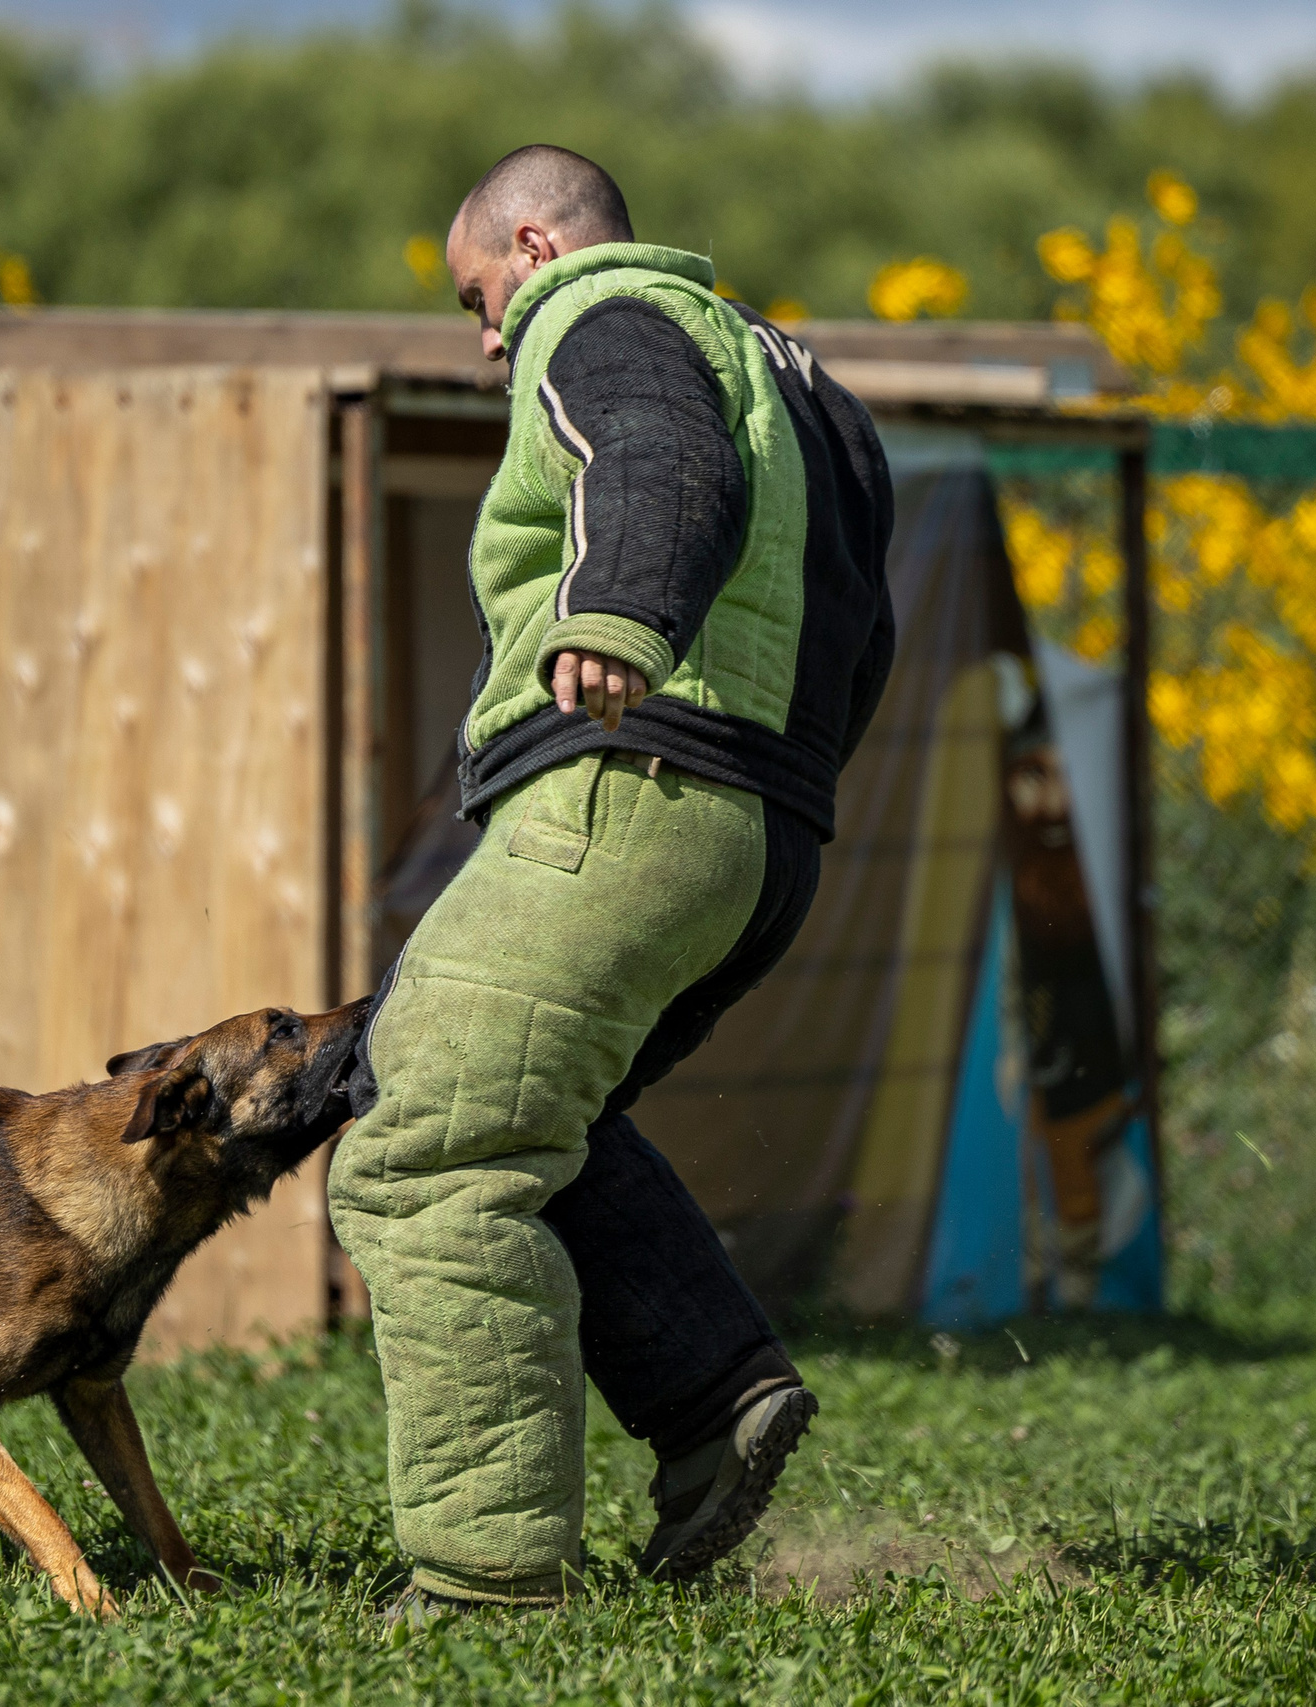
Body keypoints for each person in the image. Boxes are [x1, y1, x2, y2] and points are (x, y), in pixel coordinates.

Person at [327, 144, 896, 1620]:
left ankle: (488, 1577)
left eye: (478, 300)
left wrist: (619, 611)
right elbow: (864, 627)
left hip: (632, 786)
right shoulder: (804, 387)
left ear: (535, 245)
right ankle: (711, 1402)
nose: (486, 342)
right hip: (760, 838)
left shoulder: (605, 315)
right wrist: (777, 787)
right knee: (532, 1114)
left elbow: (653, 452)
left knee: (424, 1149)